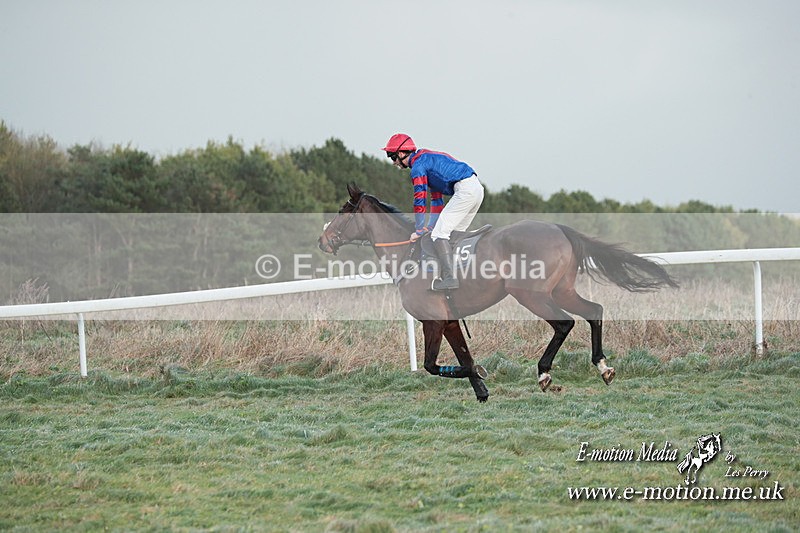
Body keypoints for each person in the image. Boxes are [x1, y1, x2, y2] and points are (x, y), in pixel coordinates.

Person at [382, 133, 484, 290]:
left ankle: (450, 279)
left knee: (439, 235)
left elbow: (419, 200)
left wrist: (419, 229)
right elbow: (436, 200)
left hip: (465, 190)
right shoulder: (425, 159)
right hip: (476, 188)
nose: (394, 162)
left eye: (392, 157)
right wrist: (428, 228)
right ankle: (459, 276)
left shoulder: (417, 167)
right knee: (452, 235)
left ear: (401, 153)